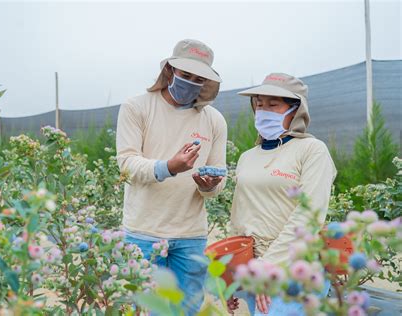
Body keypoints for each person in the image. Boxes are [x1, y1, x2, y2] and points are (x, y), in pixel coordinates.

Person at [115, 39, 227, 314]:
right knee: (145, 309)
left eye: (198, 78)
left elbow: (218, 177)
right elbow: (127, 164)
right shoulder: (136, 107)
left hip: (191, 236)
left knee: (187, 310)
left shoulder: (214, 120)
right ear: (169, 71)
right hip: (143, 234)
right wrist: (168, 167)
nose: (190, 82)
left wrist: (209, 186)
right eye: (185, 75)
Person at [228, 73, 337, 315]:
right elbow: (239, 215)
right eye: (259, 103)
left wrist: (268, 268)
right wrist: (231, 275)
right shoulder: (248, 156)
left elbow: (308, 217)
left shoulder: (311, 150)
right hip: (253, 266)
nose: (263, 110)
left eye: (273, 104)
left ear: (295, 110)